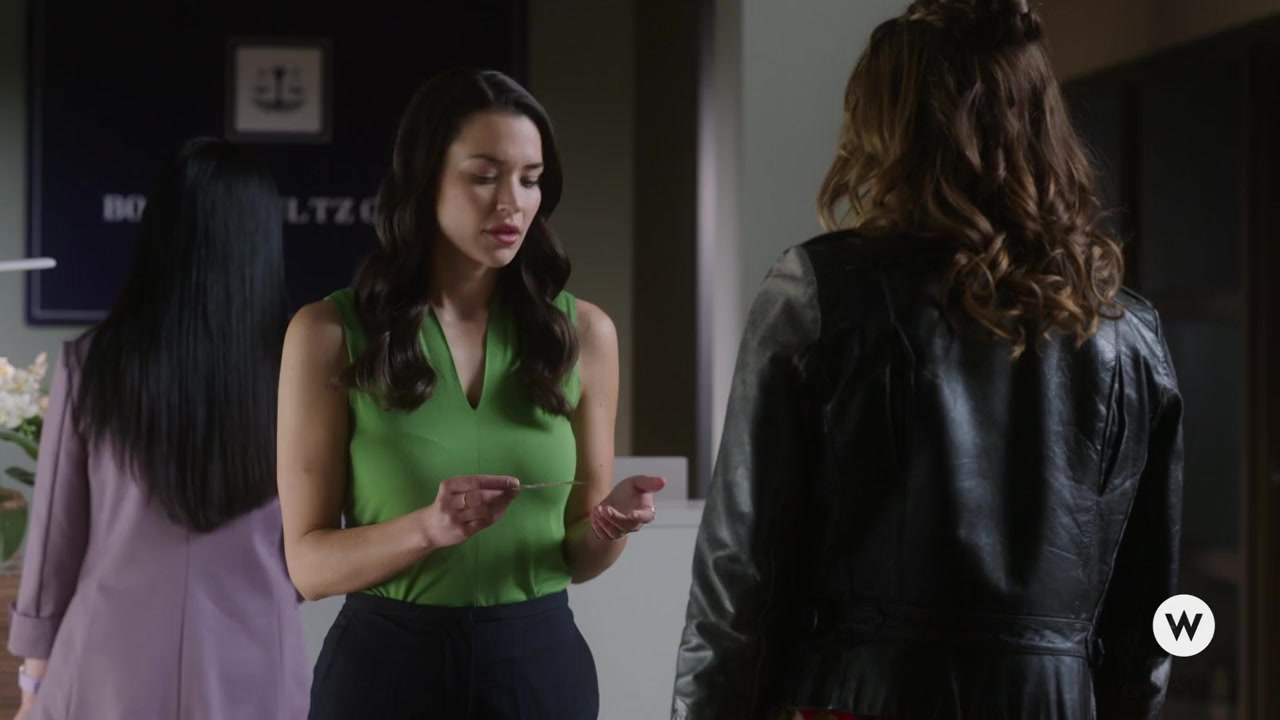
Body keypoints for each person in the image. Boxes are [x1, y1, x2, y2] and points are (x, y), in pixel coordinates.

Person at [672, 1, 1184, 718]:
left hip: (860, 698)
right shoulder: (1129, 334)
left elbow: (739, 584)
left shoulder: (817, 295)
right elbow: (1151, 619)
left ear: (888, 127)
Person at [278, 67, 665, 719]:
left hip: (540, 668)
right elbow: (308, 568)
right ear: (424, 180)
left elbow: (580, 556)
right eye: (485, 176)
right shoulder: (327, 333)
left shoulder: (584, 334)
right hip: (385, 672)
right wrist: (428, 529)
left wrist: (613, 525)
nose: (512, 202)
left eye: (530, 179)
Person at [8, 137, 309, 720]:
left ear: (159, 234)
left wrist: (33, 683)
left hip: (107, 664)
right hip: (253, 667)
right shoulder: (302, 370)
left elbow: (54, 546)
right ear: (263, 239)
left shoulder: (93, 362)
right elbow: (313, 550)